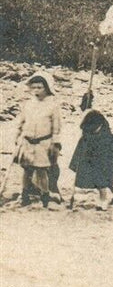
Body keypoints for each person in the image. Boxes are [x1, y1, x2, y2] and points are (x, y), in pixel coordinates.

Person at [12, 73, 63, 208]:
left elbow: (56, 127)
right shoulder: (28, 104)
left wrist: (55, 143)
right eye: (34, 87)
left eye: (39, 87)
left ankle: (45, 196)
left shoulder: (53, 106)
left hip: (43, 143)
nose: (36, 90)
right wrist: (17, 136)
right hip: (27, 142)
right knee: (26, 170)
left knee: (41, 171)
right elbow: (21, 122)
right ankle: (24, 195)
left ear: (46, 88)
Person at [69, 109, 113, 209]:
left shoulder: (105, 138)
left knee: (102, 180)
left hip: (104, 159)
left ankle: (104, 201)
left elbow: (108, 154)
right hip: (93, 158)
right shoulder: (88, 134)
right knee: (104, 180)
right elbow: (81, 148)